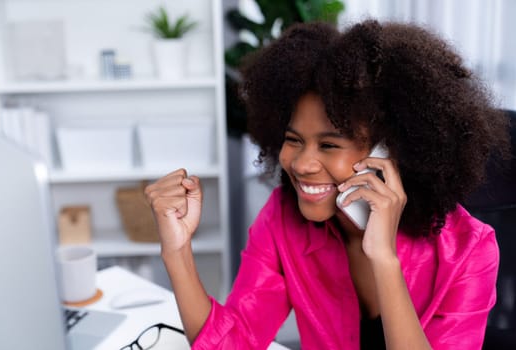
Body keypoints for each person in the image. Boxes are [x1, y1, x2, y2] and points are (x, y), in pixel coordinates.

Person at [144, 19, 511, 349]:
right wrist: (177, 252)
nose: (301, 164)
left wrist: (384, 258)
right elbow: (234, 344)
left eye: (329, 144)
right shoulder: (282, 218)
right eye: (293, 139)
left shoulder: (469, 250)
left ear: (392, 151)